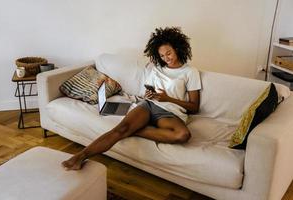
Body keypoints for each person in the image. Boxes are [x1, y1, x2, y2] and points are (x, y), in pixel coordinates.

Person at [62, 27, 202, 170]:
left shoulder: (190, 72)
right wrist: (148, 95)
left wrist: (168, 99)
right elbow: (148, 91)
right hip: (148, 105)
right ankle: (80, 156)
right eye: (162, 56)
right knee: (120, 130)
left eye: (169, 53)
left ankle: (136, 130)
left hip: (170, 113)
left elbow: (194, 107)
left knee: (183, 135)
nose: (166, 58)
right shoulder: (156, 69)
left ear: (178, 48)